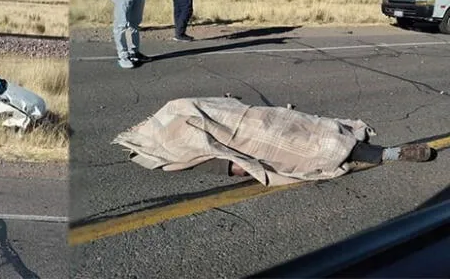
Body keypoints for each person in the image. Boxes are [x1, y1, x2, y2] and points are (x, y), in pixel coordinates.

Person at [113, 97, 434, 186]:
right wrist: (239, 166)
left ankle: (364, 151)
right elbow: (228, 164)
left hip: (255, 118)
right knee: (301, 149)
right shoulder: (180, 148)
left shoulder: (180, 107)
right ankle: (390, 154)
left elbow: (222, 107)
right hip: (247, 144)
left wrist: (233, 106)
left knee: (311, 128)